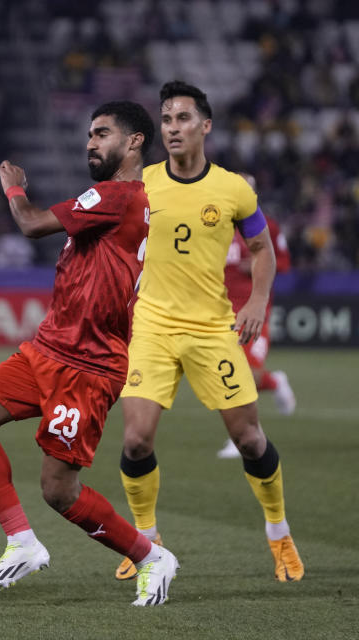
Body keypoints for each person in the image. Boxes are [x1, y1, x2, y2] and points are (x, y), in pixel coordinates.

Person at [0, 101, 179, 606]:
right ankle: (21, 542)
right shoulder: (114, 200)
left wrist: (13, 185)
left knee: (58, 490)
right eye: (89, 136)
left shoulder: (118, 194)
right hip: (48, 348)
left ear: (135, 141)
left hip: (88, 366)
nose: (91, 143)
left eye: (102, 134)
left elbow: (31, 223)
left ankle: (151, 557)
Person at [114, 81, 304, 584]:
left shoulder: (234, 189)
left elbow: (262, 249)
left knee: (248, 438)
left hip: (211, 328)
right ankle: (145, 541)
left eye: (182, 119)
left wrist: (258, 301)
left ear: (205, 126)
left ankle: (278, 531)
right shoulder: (141, 181)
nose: (172, 128)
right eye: (167, 119)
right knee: (135, 441)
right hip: (151, 326)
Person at [218, 175, 295, 459]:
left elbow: (284, 263)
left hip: (254, 311)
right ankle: (275, 382)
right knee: (224, 375)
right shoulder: (214, 223)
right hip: (220, 312)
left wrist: (257, 264)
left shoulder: (266, 226)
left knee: (245, 372)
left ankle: (241, 436)